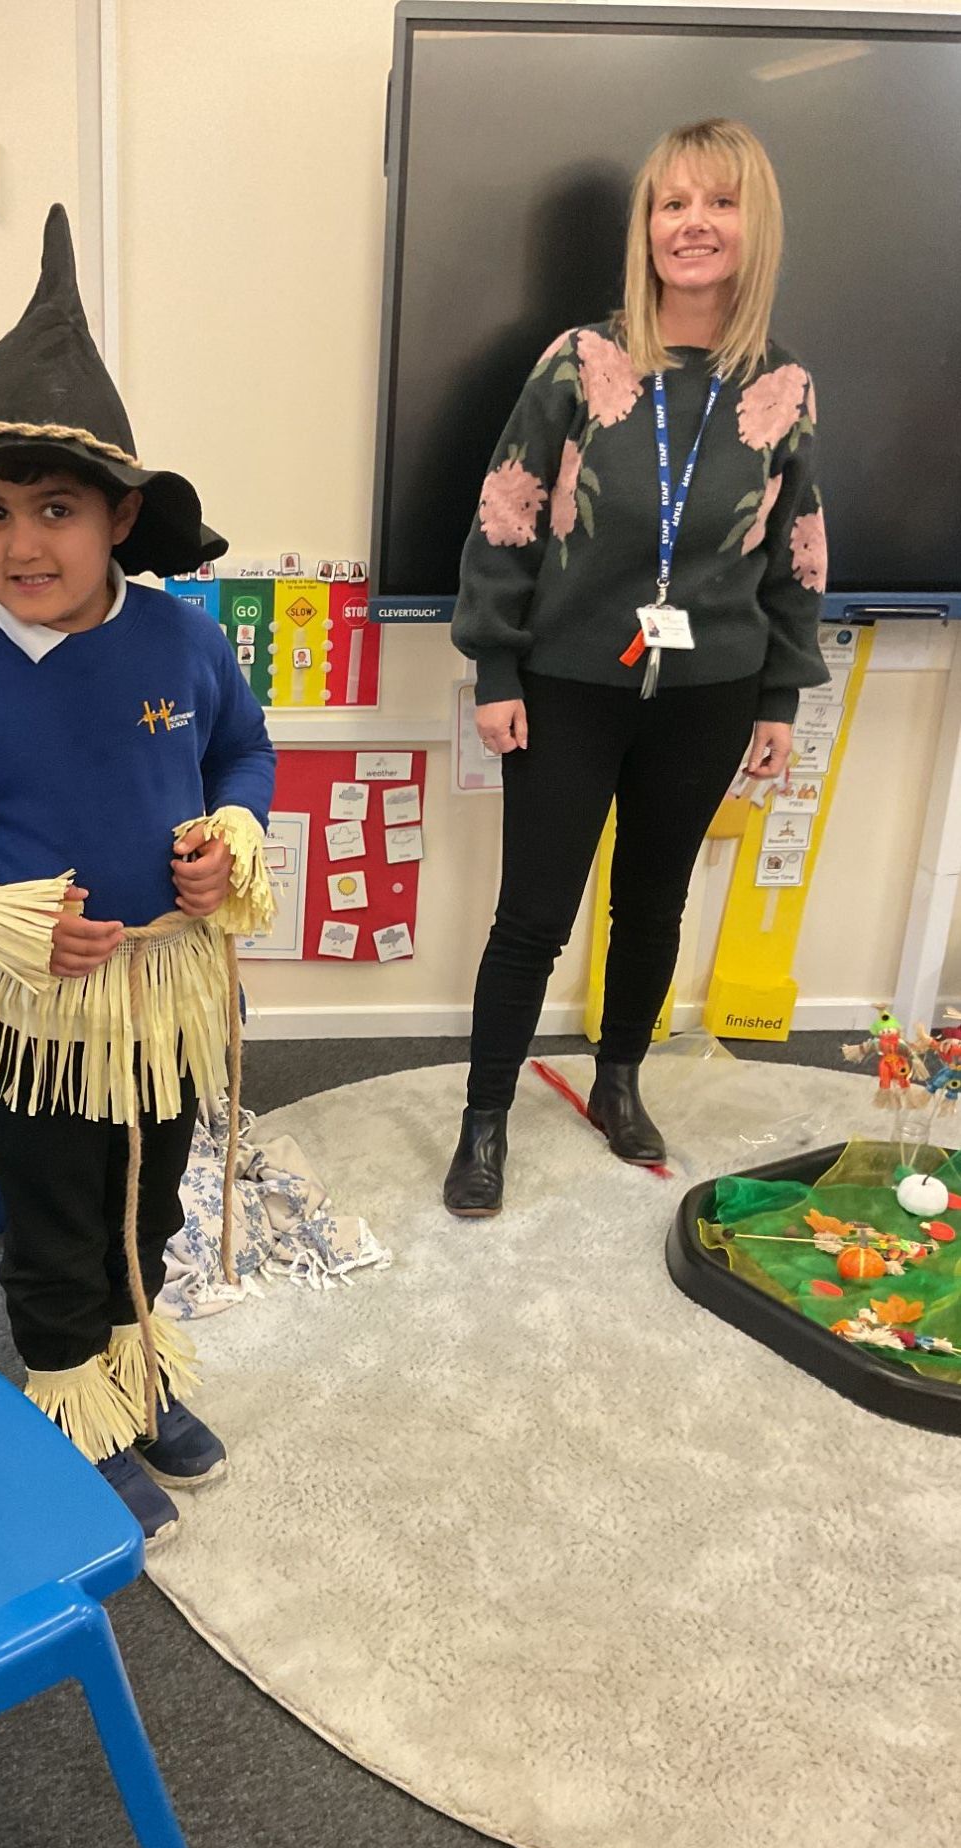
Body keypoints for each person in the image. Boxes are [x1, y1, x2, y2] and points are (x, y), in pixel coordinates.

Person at [0, 205, 276, 1541]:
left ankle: (134, 1382)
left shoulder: (188, 648)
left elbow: (244, 762)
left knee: (147, 1205)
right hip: (38, 1017)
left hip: (168, 997)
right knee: (51, 1222)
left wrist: (234, 843)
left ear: (119, 516)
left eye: (54, 509)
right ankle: (68, 1407)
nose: (21, 544)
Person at [444, 118, 828, 1219]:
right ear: (646, 227)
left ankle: (619, 1080)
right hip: (565, 685)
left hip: (709, 694)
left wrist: (779, 696)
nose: (693, 224)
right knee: (534, 914)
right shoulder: (582, 362)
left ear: (754, 227)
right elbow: (506, 513)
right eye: (672, 203)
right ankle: (485, 1120)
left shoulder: (786, 389)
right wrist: (497, 671)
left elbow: (798, 551)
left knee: (653, 907)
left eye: (719, 202)